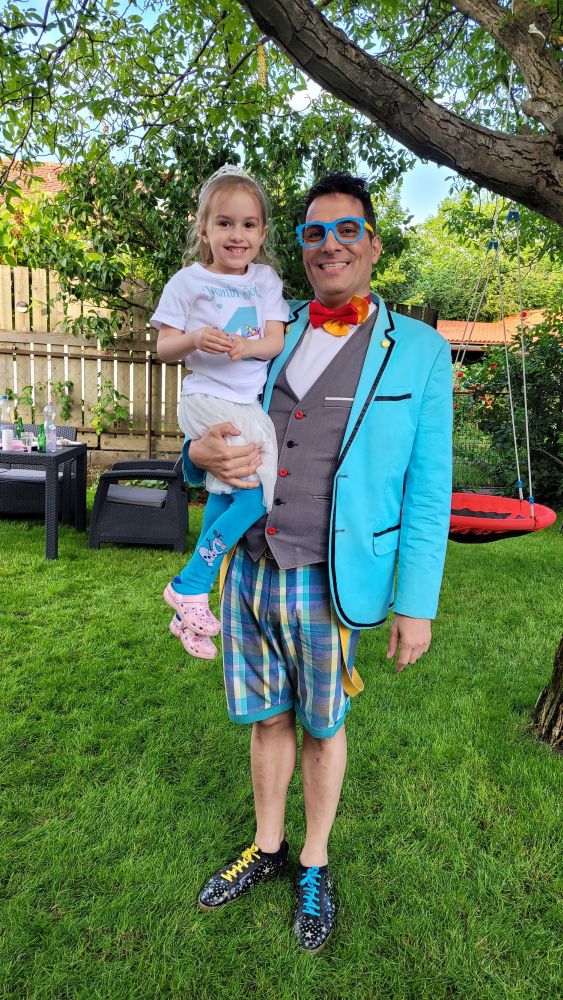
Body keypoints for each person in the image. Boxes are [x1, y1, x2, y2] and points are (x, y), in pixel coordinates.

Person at [184, 173, 453, 953]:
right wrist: (193, 456)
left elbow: (428, 490)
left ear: (373, 244)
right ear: (299, 248)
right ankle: (266, 847)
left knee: (322, 726)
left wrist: (416, 603)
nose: (329, 245)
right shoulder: (267, 326)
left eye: (345, 230)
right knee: (266, 717)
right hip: (247, 565)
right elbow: (208, 414)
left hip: (332, 578)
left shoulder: (421, 351)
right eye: (312, 233)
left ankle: (313, 861)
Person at [151, 165, 289, 659]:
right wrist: (194, 338)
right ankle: (191, 584)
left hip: (245, 403)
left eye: (248, 224)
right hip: (208, 398)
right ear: (203, 229)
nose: (237, 234)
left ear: (263, 233)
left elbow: (274, 339)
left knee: (229, 490)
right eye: (225, 223)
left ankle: (187, 608)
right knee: (258, 495)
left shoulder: (265, 280)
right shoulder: (188, 281)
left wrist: (247, 348)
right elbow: (165, 347)